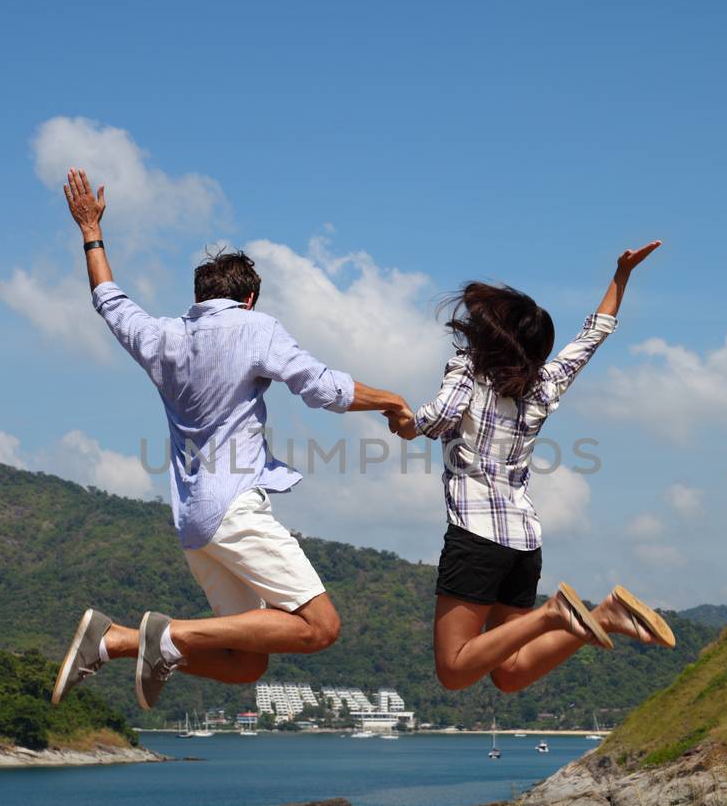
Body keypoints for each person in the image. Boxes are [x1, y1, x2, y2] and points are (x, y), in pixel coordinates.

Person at [51, 169, 410, 710]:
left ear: (199, 296)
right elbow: (321, 387)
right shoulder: (254, 327)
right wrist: (390, 400)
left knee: (246, 664)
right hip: (236, 507)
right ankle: (153, 638)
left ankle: (119, 641)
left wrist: (90, 232)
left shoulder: (162, 336)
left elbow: (109, 299)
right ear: (249, 299)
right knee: (320, 626)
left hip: (194, 521)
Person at [386, 243, 677, 693]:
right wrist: (620, 276)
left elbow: (434, 420)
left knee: (454, 668)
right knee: (510, 672)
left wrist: (401, 421)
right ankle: (603, 615)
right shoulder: (546, 384)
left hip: (476, 535)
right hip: (524, 541)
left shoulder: (467, 370)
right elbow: (592, 336)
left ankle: (553, 613)